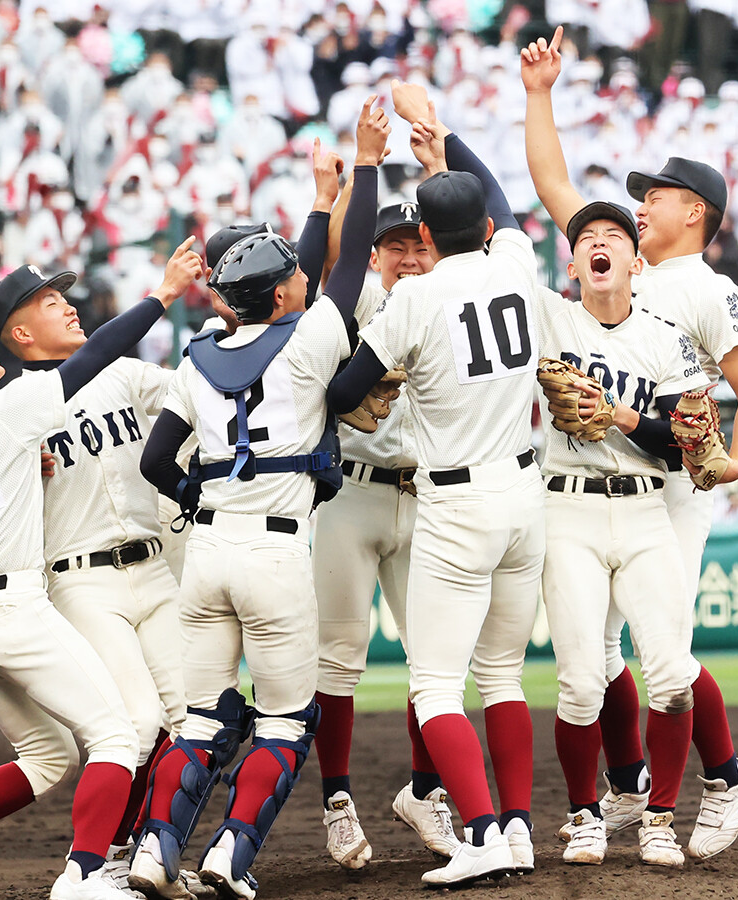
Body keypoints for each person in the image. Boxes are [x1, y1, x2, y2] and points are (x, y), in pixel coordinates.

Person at [0, 238, 204, 900]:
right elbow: (90, 358)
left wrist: (11, 482)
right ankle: (87, 873)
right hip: (23, 606)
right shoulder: (8, 409)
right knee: (119, 732)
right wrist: (163, 294)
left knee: (48, 756)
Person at [131, 103, 387, 900]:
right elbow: (343, 274)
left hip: (205, 554)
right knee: (283, 721)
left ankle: (153, 850)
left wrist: (196, 496)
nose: (307, 282)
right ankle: (231, 855)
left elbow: (153, 461)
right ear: (279, 296)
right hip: (277, 553)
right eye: (294, 281)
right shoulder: (310, 342)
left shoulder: (195, 356)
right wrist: (366, 166)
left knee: (202, 720)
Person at [522, 26, 738, 860]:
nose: (640, 204)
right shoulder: (616, 264)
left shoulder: (706, 288)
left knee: (668, 653)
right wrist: (540, 94)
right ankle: (626, 791)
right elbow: (552, 182)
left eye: (655, 195)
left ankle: (726, 775)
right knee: (600, 657)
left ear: (693, 210)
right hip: (597, 489)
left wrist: (737, 461)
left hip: (676, 486)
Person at [328, 85, 544, 886]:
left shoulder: (416, 295)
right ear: (485, 228)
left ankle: (483, 835)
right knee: (504, 679)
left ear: (424, 234)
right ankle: (519, 828)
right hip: (526, 494)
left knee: (433, 687)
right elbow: (501, 196)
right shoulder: (517, 262)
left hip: (454, 500)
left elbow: (348, 392)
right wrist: (444, 134)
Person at [0, 261, 191, 891]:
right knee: (134, 723)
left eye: (65, 299)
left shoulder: (124, 374)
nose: (70, 307)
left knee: (192, 722)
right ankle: (92, 865)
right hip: (81, 581)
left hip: (154, 569)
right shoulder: (8, 412)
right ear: (20, 334)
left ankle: (154, 852)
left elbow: (195, 393)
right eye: (50, 303)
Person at [536, 201, 708, 867]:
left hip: (644, 512)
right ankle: (584, 815)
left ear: (637, 263)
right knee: (581, 681)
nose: (599, 244)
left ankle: (659, 818)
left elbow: (684, 449)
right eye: (586, 239)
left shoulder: (665, 339)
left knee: (670, 675)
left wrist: (622, 417)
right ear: (573, 263)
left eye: (615, 236)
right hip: (567, 511)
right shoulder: (552, 317)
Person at [310, 197, 460, 870]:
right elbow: (323, 281)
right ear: (374, 257)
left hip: (426, 495)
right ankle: (337, 803)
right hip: (352, 493)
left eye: (419, 245)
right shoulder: (359, 299)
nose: (409, 257)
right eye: (394, 246)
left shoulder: (456, 302)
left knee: (437, 659)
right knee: (338, 656)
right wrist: (342, 188)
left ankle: (426, 790)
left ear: (437, 249)